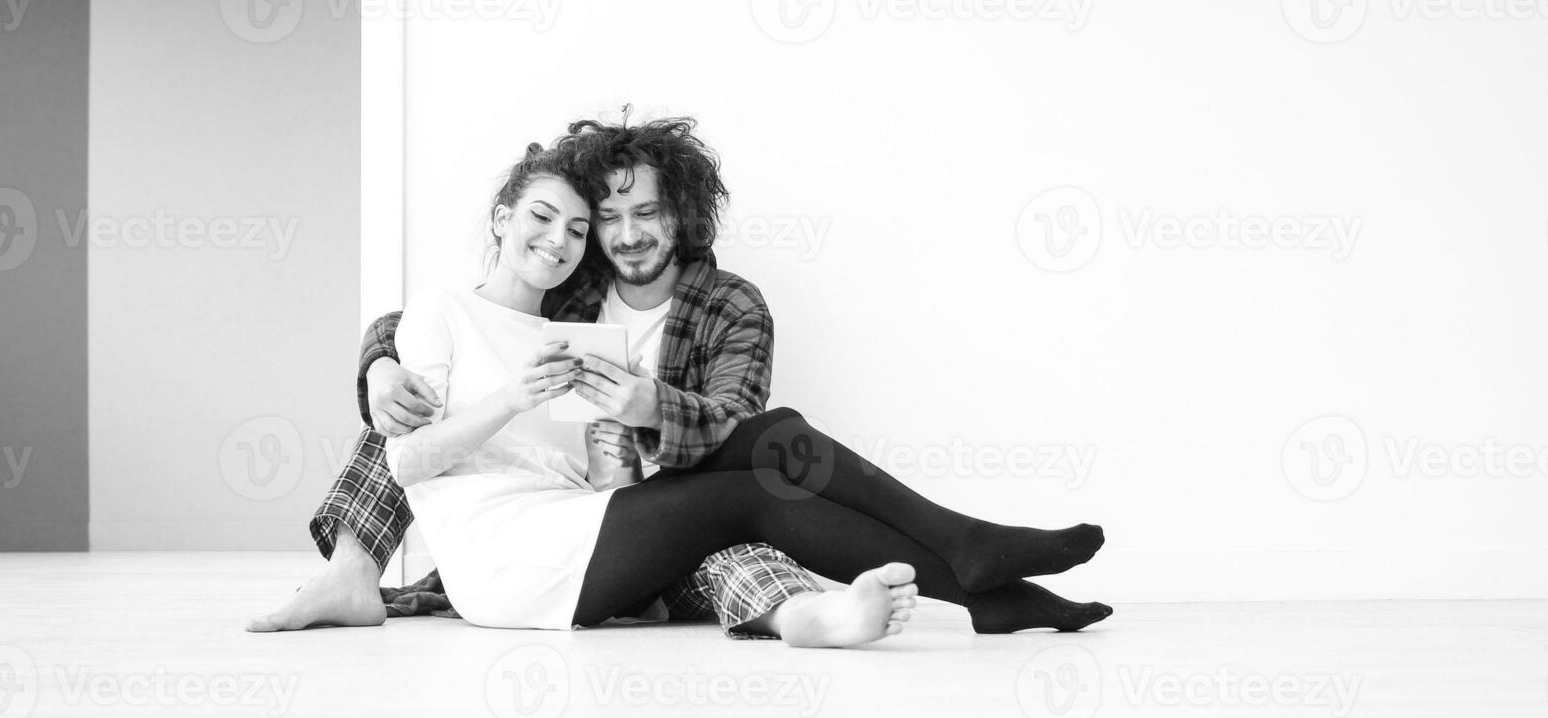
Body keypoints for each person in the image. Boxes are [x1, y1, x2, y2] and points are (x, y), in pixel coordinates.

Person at [376, 141, 1110, 632]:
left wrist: (637, 414)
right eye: (562, 220)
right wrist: (396, 369)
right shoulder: (482, 306)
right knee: (758, 482)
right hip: (511, 559)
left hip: (606, 518)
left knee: (767, 443)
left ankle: (988, 592)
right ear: (503, 218)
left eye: (582, 227)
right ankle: (969, 554)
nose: (570, 241)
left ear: (679, 219)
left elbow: (683, 440)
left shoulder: (684, 310)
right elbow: (406, 440)